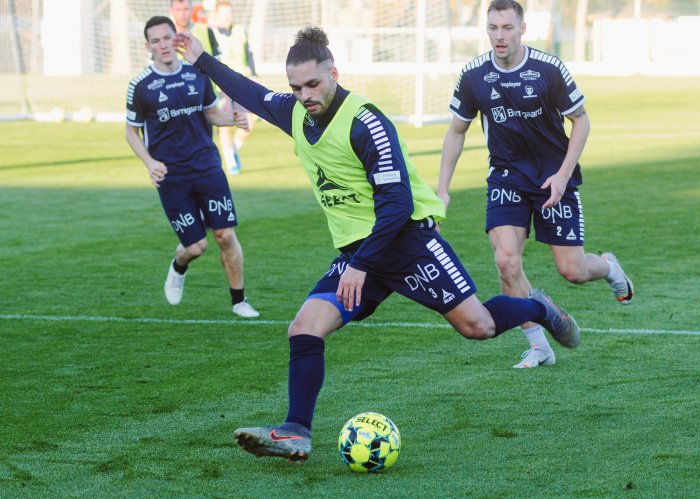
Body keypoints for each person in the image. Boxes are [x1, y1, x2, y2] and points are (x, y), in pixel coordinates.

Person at [175, 26, 579, 463]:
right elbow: (249, 92)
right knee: (304, 328)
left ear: (334, 72)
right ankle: (295, 431)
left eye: (313, 84)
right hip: (358, 255)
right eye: (296, 87)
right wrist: (202, 60)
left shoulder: (366, 122)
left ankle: (540, 308)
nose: (305, 94)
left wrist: (362, 264)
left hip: (407, 240)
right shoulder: (295, 112)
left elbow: (397, 203)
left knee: (477, 326)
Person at [438, 0, 633, 369]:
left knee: (572, 271)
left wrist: (562, 174)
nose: (500, 36)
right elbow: (456, 131)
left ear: (522, 29)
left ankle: (608, 267)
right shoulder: (474, 75)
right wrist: (443, 189)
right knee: (506, 262)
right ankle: (539, 343)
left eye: (507, 28)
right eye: (493, 28)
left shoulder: (548, 69)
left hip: (551, 178)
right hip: (506, 177)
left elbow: (582, 121)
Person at [125, 16, 260, 318]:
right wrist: (150, 163)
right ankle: (178, 265)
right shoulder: (141, 86)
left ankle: (239, 300)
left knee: (225, 235)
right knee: (197, 246)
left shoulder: (198, 75)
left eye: (167, 38)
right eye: (156, 40)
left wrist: (233, 119)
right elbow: (131, 131)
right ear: (147, 46)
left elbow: (210, 113)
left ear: (177, 39)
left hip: (207, 167)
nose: (163, 45)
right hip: (171, 175)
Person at [212, 0, 258, 175]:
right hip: (221, 86)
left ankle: (233, 149)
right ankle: (230, 162)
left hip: (241, 83)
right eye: (223, 14)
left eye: (229, 13)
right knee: (225, 124)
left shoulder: (240, 31)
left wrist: (253, 74)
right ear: (216, 15)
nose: (227, 17)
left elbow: (249, 54)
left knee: (249, 123)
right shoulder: (212, 34)